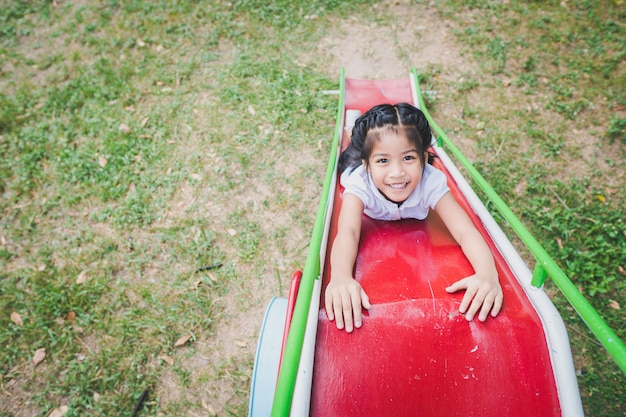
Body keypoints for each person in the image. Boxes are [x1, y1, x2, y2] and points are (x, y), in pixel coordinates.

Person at [325, 103, 503, 333]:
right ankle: (351, 127)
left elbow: (465, 230)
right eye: (383, 161)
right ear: (367, 165)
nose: (397, 172)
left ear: (423, 156)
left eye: (408, 158)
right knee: (350, 150)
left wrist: (487, 274)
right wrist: (340, 277)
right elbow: (348, 231)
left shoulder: (431, 181)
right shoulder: (359, 181)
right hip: (353, 162)